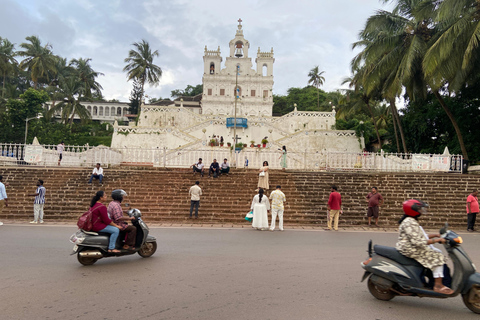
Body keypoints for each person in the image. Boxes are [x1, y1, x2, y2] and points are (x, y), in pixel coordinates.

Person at [396, 199, 454, 295]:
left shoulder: (411, 220)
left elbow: (420, 236)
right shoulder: (409, 222)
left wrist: (436, 235)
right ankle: (438, 286)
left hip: (411, 246)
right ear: (412, 210)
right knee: (437, 257)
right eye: (419, 208)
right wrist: (437, 240)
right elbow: (418, 242)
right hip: (410, 249)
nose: (421, 210)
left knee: (438, 252)